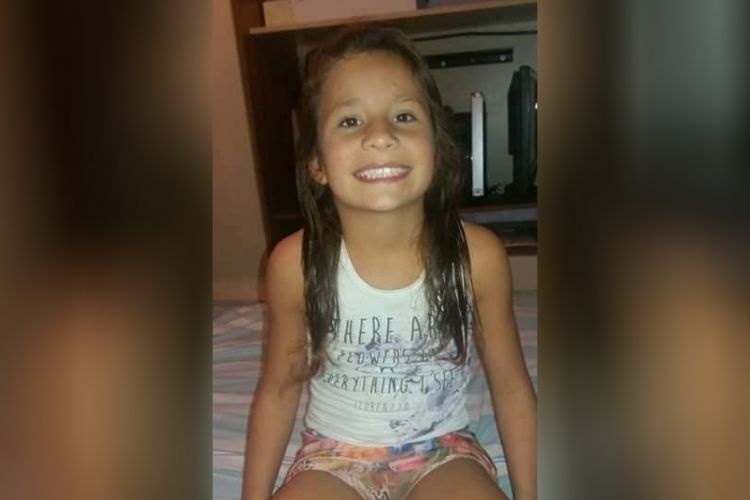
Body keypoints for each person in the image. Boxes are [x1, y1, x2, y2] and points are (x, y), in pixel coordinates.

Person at [242, 25, 536, 500]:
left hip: (443, 452)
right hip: (333, 457)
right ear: (317, 162)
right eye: (350, 121)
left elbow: (512, 388)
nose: (380, 135)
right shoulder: (293, 263)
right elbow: (279, 390)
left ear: (437, 146)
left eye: (403, 115)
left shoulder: (477, 258)